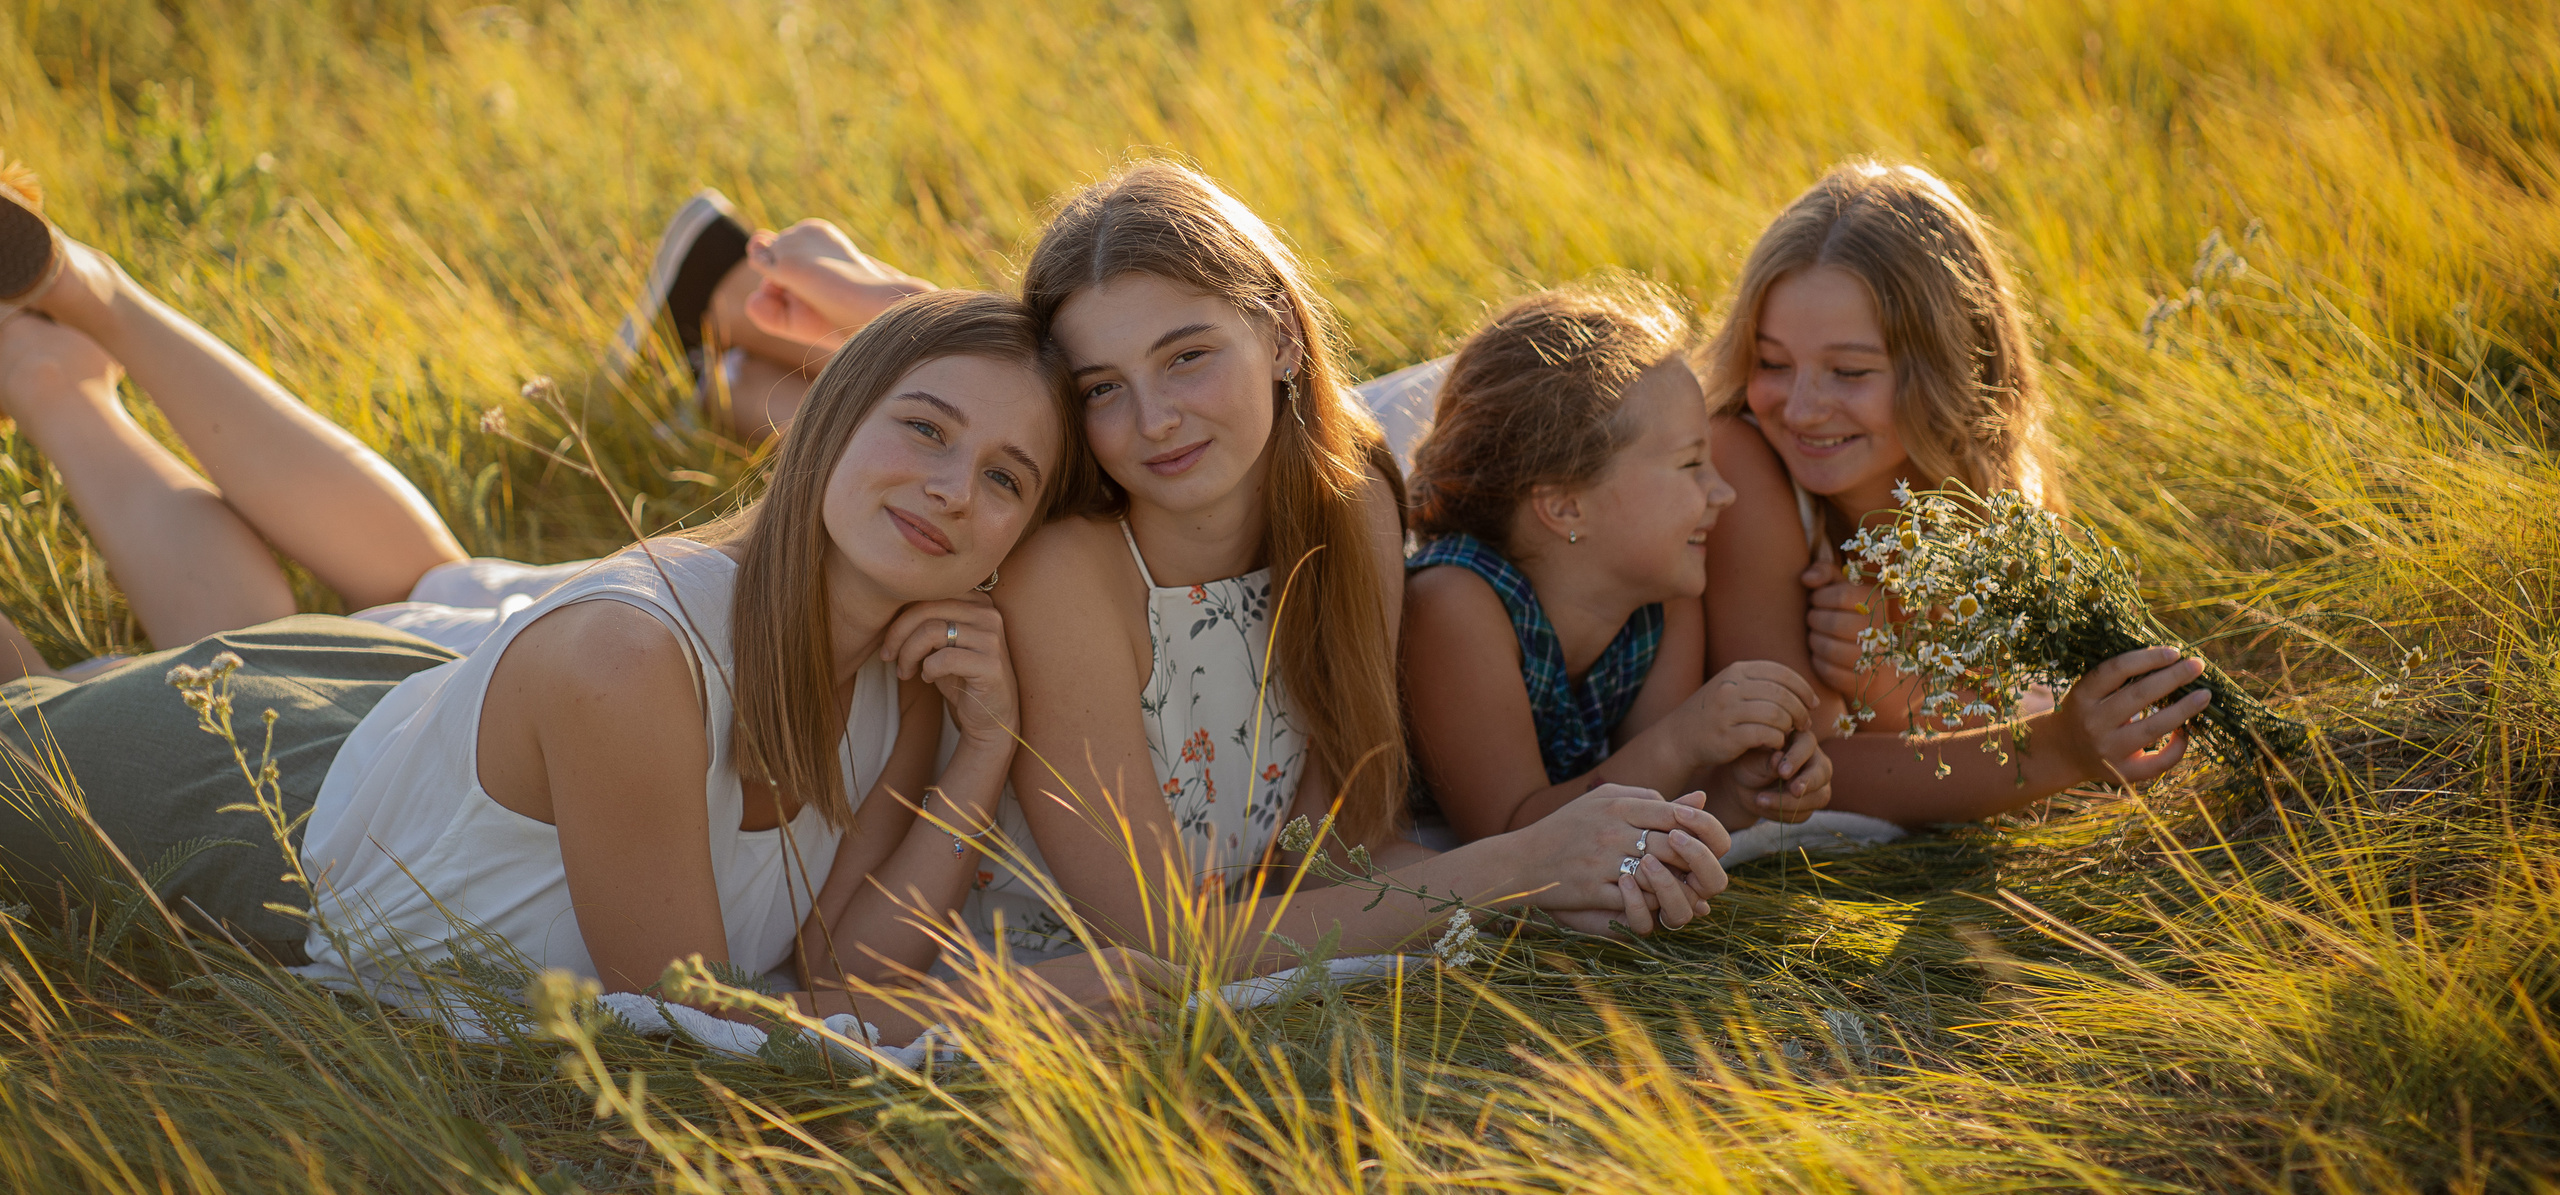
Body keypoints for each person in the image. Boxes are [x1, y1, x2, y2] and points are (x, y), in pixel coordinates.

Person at [0, 171, 1144, 1040]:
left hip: (372, 710)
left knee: (187, 648)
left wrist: (982, 749)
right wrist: (1058, 999)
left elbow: (842, 974)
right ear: (825, 417)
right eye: (926, 427)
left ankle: (53, 376)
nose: (953, 488)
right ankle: (60, 367)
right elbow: (702, 1035)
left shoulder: (919, 684)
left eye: (1003, 476)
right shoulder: (632, 663)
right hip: (247, 828)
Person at [969, 161, 1737, 972]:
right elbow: (1160, 942)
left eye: (1187, 357)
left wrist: (1579, 880)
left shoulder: (1351, 502)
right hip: (1056, 962)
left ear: (1281, 339)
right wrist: (1522, 865)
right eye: (1101, 389)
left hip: (1260, 929)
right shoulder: (1065, 572)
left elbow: (1343, 845)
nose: (1155, 420)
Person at [1700, 160, 2214, 824]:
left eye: (1849, 371)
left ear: (1948, 370)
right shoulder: (1739, 466)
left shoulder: (1973, 507)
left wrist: (1896, 689)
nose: (1799, 408)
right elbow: (1779, 775)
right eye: (1772, 363)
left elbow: (1987, 712)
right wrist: (2056, 750)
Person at [1400, 282, 1836, 843]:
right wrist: (1683, 737)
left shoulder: (1662, 598)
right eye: (1690, 464)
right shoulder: (1453, 604)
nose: (1723, 492)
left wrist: (1736, 790)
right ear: (1564, 505)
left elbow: (1662, 796)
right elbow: (1510, 837)